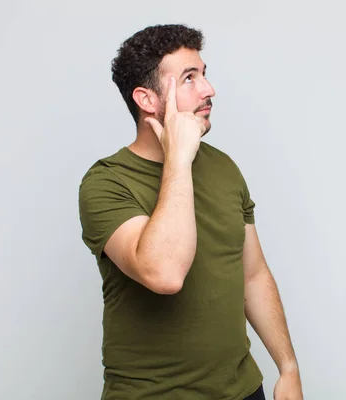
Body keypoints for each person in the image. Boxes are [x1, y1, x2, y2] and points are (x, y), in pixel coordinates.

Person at [78, 24, 303, 400]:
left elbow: (253, 275)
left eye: (204, 73)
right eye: (188, 78)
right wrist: (179, 159)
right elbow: (164, 273)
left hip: (244, 391)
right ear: (147, 99)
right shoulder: (106, 183)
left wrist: (288, 368)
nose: (208, 88)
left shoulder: (224, 168)